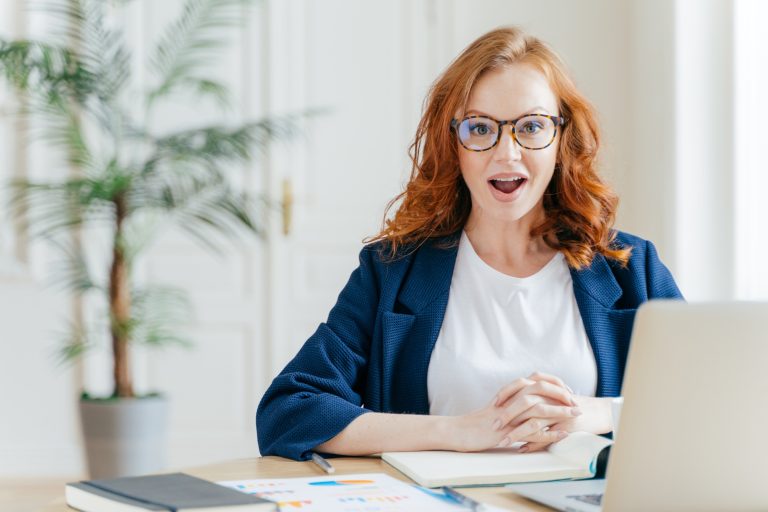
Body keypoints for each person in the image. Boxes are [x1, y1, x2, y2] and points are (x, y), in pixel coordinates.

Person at [256, 26, 683, 461]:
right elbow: (289, 412)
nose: (507, 153)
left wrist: (593, 414)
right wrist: (458, 431)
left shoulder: (631, 268)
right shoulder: (391, 270)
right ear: (452, 142)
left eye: (531, 126)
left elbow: (711, 403)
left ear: (562, 139)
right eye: (480, 128)